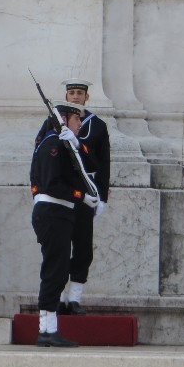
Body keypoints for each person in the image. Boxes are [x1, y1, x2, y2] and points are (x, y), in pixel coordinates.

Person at [35, 78, 110, 316]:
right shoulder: (53, 123)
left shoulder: (96, 126)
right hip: (62, 192)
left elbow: (103, 163)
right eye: (72, 93)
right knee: (58, 247)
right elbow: (40, 152)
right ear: (66, 97)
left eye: (80, 93)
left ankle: (74, 297)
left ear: (86, 97)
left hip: (86, 191)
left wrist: (103, 196)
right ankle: (56, 298)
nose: (76, 96)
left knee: (82, 246)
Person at [31, 100, 99, 348]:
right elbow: (52, 185)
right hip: (52, 211)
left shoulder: (66, 144)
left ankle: (49, 329)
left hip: (61, 212)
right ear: (64, 119)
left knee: (58, 271)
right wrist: (81, 197)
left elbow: (90, 166)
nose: (81, 123)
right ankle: (45, 330)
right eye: (77, 119)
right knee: (54, 270)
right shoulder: (52, 144)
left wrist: (76, 143)